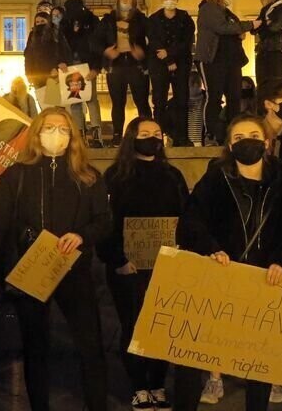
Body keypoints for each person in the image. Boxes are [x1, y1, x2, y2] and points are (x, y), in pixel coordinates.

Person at [174, 113, 282, 411]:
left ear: (266, 143)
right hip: (220, 278)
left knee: (259, 364)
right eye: (239, 138)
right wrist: (210, 248)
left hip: (265, 284)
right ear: (229, 145)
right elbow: (191, 222)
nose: (247, 143)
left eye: (253, 136)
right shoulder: (214, 180)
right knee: (193, 357)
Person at [0, 107, 112, 411]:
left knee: (91, 344)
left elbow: (104, 220)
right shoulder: (17, 175)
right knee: (35, 346)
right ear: (37, 133)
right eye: (49, 128)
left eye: (63, 129)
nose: (56, 134)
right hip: (31, 268)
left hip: (74, 269)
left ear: (72, 136)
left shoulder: (88, 176)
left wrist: (81, 236)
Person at [103, 117, 188, 411]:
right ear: (131, 138)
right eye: (145, 133)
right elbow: (106, 222)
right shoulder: (115, 175)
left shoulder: (173, 175)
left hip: (166, 265)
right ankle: (139, 385)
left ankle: (158, 384)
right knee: (134, 325)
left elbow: (186, 216)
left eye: (157, 133)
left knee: (162, 325)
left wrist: (181, 250)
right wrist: (117, 259)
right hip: (127, 267)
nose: (152, 138)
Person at [194, 0, 261, 145]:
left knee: (234, 97)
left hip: (231, 61)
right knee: (214, 96)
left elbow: (234, 28)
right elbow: (223, 28)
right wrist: (250, 25)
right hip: (213, 60)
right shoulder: (208, 8)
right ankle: (210, 134)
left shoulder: (227, 13)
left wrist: (240, 30)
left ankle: (232, 133)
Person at [147, 0, 196, 146]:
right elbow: (154, 42)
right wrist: (167, 60)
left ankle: (182, 137)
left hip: (181, 63)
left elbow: (187, 41)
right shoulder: (153, 19)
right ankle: (158, 136)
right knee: (159, 101)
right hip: (159, 65)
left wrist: (170, 55)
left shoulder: (185, 19)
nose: (169, 1)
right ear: (162, 0)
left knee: (182, 100)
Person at [102, 0, 151, 146]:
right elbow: (95, 41)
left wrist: (142, 53)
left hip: (135, 65)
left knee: (142, 102)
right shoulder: (109, 19)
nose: (126, 0)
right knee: (117, 102)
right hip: (116, 65)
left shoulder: (140, 19)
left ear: (134, 1)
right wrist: (107, 52)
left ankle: (147, 133)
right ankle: (117, 135)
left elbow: (154, 38)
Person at [62, 0, 104, 140]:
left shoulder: (91, 22)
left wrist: (96, 68)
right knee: (75, 100)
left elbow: (98, 46)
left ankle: (96, 133)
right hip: (71, 67)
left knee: (91, 99)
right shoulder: (65, 23)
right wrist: (62, 62)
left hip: (88, 65)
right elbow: (61, 46)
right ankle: (79, 133)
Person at [24, 12, 70, 110]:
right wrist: (29, 74)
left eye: (42, 21)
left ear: (48, 21)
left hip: (52, 76)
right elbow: (28, 56)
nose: (40, 24)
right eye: (37, 22)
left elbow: (63, 50)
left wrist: (57, 67)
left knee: (55, 107)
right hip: (37, 77)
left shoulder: (55, 33)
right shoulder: (32, 35)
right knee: (44, 107)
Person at [187, 71, 205, 146]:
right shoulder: (177, 103)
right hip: (185, 144)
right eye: (192, 83)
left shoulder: (208, 101)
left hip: (203, 143)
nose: (195, 85)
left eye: (198, 82)